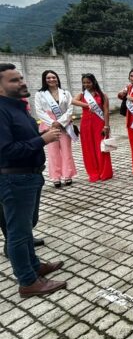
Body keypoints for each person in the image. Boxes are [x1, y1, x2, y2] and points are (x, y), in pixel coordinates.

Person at [0, 63, 66, 297]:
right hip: (14, 179)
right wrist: (42, 140)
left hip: (29, 175)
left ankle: (34, 266)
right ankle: (28, 282)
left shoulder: (18, 107)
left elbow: (23, 138)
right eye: (14, 80)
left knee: (26, 227)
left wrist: (39, 137)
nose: (22, 82)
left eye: (21, 78)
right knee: (17, 232)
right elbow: (6, 150)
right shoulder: (2, 110)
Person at [34, 70, 77, 188]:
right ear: (44, 80)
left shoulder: (65, 93)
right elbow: (39, 111)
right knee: (53, 153)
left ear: (57, 78)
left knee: (66, 151)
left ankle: (68, 175)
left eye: (53, 77)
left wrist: (60, 121)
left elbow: (70, 109)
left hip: (64, 124)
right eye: (48, 78)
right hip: (49, 125)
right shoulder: (40, 94)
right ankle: (56, 177)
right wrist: (53, 123)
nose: (51, 79)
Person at [72, 74, 113, 182]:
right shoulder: (82, 94)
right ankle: (93, 172)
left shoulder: (102, 95)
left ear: (94, 82)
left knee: (101, 148)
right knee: (88, 149)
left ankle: (104, 172)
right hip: (85, 125)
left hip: (99, 124)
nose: (86, 85)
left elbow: (105, 111)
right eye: (84, 83)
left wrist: (106, 126)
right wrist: (86, 105)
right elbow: (72, 101)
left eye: (88, 82)